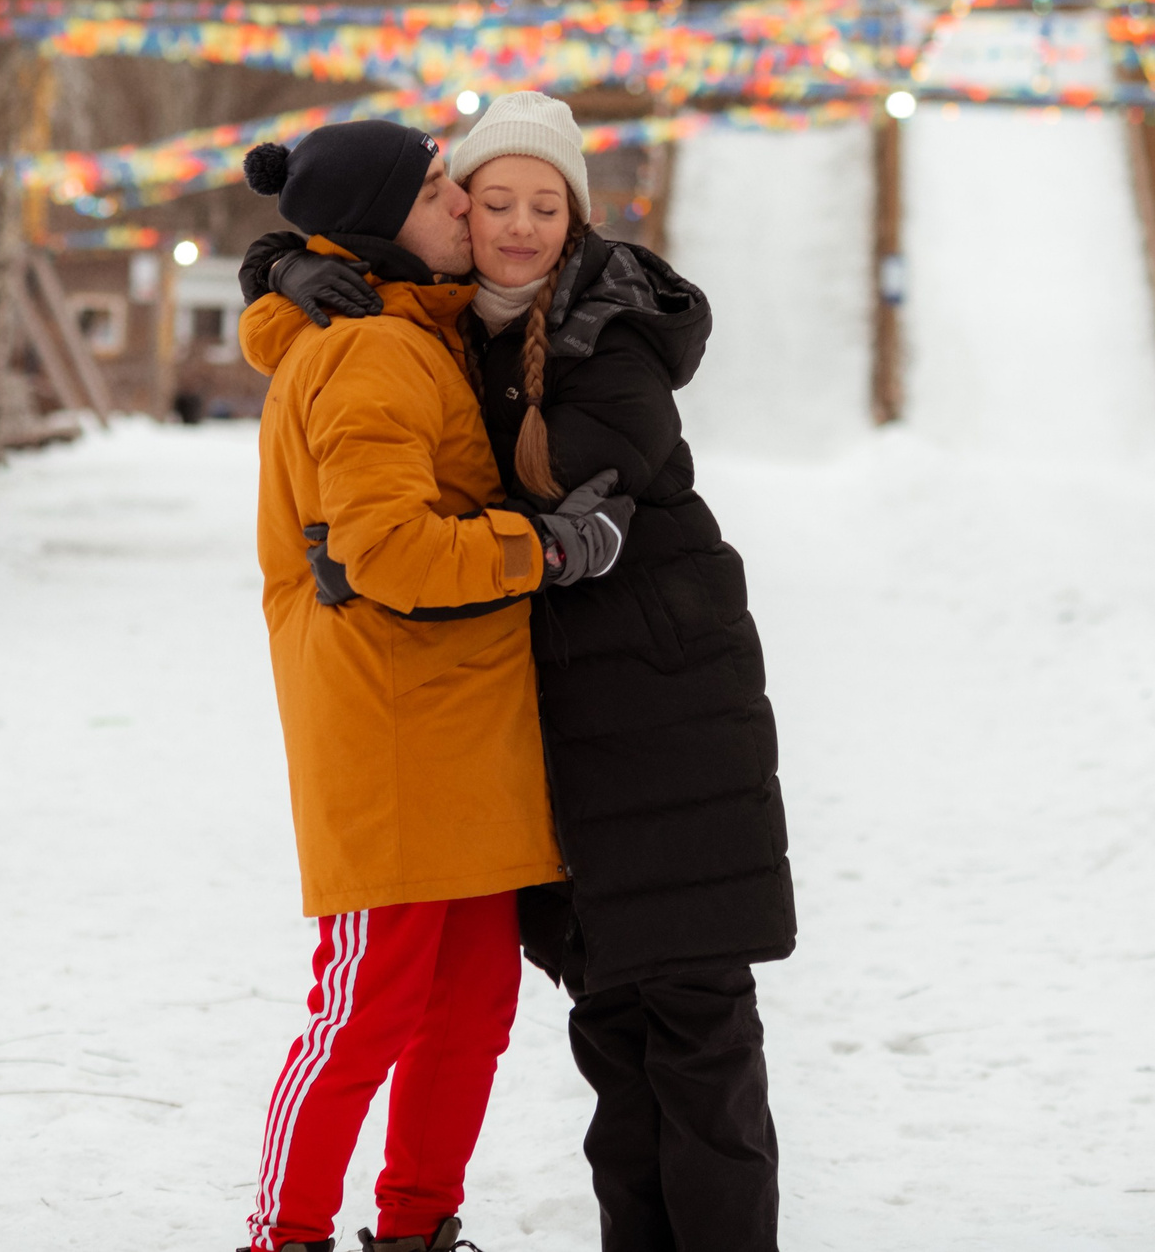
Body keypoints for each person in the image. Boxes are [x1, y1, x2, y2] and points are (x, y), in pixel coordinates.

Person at [254, 92, 795, 1252]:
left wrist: (293, 265)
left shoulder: (582, 327)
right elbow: (403, 525)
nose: (489, 216)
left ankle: (416, 1223)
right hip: (460, 723)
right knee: (477, 1016)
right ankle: (293, 1231)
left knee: (610, 1024)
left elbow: (564, 479)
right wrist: (287, 266)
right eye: (465, 195)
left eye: (534, 201)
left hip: (638, 711)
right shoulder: (397, 337)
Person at [233, 118, 637, 1252]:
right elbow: (391, 553)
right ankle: (284, 1233)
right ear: (378, 225)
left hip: (460, 729)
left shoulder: (408, 325)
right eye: (434, 191)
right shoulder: (368, 348)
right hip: (393, 733)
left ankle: (417, 1226)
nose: (464, 203)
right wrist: (548, 547)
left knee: (467, 1014)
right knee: (363, 1012)